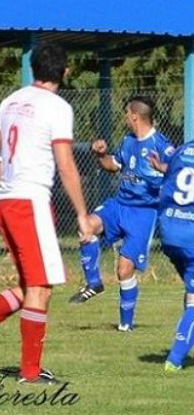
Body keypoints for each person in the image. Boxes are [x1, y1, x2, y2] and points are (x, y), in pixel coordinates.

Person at [0, 43, 93, 384]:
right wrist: (82, 214)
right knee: (40, 288)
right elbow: (65, 162)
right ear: (64, 72)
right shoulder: (57, 107)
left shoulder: (11, 100)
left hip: (9, 202)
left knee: (30, 288)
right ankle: (30, 373)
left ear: (34, 69)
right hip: (31, 202)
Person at [69, 96, 174, 332]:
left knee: (124, 269)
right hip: (118, 205)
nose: (126, 117)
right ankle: (93, 283)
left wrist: (162, 169)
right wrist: (100, 154)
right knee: (86, 225)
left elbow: (181, 171)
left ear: (135, 116)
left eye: (127, 113)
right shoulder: (128, 141)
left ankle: (125, 326)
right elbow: (111, 165)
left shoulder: (161, 145)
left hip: (143, 213)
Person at [150, 141, 194, 372]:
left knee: (192, 292)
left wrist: (160, 166)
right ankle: (174, 360)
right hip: (191, 234)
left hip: (169, 231)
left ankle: (186, 340)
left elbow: (173, 174)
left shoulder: (183, 150)